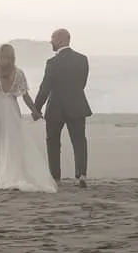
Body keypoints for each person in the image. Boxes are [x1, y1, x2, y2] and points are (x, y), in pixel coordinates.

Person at [0, 42, 57, 192]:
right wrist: (35, 111)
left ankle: (1, 177)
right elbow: (25, 96)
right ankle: (12, 175)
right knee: (14, 145)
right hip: (11, 109)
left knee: (0, 145)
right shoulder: (19, 73)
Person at [31, 28, 92, 186]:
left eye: (53, 38)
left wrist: (36, 108)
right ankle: (81, 174)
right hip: (77, 105)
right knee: (79, 141)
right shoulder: (82, 59)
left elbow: (45, 87)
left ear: (62, 39)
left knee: (53, 142)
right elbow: (82, 83)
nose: (51, 41)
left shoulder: (52, 62)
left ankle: (55, 176)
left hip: (56, 107)